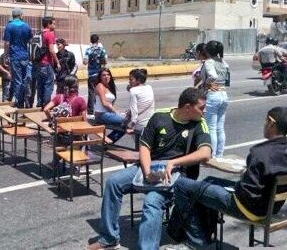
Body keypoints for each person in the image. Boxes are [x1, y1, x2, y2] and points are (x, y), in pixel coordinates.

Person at [86, 87, 211, 250]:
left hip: (175, 175)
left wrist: (173, 163)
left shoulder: (199, 124)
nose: (205, 111)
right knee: (113, 182)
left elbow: (205, 153)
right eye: (201, 108)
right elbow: (144, 147)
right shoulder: (160, 117)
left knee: (152, 201)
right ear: (187, 107)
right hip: (148, 167)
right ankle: (108, 238)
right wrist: (147, 172)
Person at [171, 106, 287, 249]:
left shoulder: (260, 153)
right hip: (273, 207)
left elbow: (246, 194)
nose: (264, 124)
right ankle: (206, 234)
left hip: (248, 208)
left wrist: (240, 179)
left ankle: (197, 242)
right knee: (209, 181)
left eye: (265, 121)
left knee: (182, 185)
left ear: (271, 122)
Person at [201, 40, 230, 158]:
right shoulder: (224, 62)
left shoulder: (209, 62)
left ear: (207, 51)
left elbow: (213, 76)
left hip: (213, 95)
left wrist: (206, 84)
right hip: (224, 94)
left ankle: (211, 155)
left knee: (211, 127)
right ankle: (219, 154)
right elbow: (227, 80)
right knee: (220, 127)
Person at [3, 8, 32, 107]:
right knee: (24, 81)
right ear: (20, 15)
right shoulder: (26, 26)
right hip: (25, 56)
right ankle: (26, 101)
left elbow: (7, 43)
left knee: (17, 81)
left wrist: (5, 56)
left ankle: (19, 103)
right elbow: (30, 40)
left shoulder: (9, 26)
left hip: (15, 57)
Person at [93, 68, 126, 144]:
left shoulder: (108, 87)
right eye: (104, 75)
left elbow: (110, 104)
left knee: (125, 125)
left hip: (107, 114)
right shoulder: (100, 85)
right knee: (125, 122)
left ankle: (107, 141)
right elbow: (104, 103)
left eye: (108, 75)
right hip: (101, 115)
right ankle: (107, 142)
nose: (106, 77)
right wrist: (116, 113)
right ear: (100, 77)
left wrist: (119, 112)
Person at [124, 69, 154, 146]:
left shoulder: (133, 91)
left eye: (131, 79)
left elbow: (134, 110)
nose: (129, 81)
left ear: (138, 80)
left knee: (139, 146)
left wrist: (132, 127)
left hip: (139, 124)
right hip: (150, 122)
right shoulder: (149, 87)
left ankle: (109, 141)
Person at [36, 17, 60, 107]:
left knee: (40, 85)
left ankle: (40, 104)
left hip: (39, 64)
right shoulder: (49, 34)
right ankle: (46, 106)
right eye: (53, 23)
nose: (55, 25)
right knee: (48, 86)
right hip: (47, 63)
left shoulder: (39, 33)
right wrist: (57, 62)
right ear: (49, 24)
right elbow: (51, 50)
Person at [83, 34, 107, 114]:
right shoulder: (102, 50)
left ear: (91, 41)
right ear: (97, 40)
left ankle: (90, 111)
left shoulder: (88, 50)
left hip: (91, 75)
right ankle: (100, 109)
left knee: (91, 92)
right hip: (100, 74)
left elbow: (85, 62)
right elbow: (105, 61)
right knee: (100, 91)